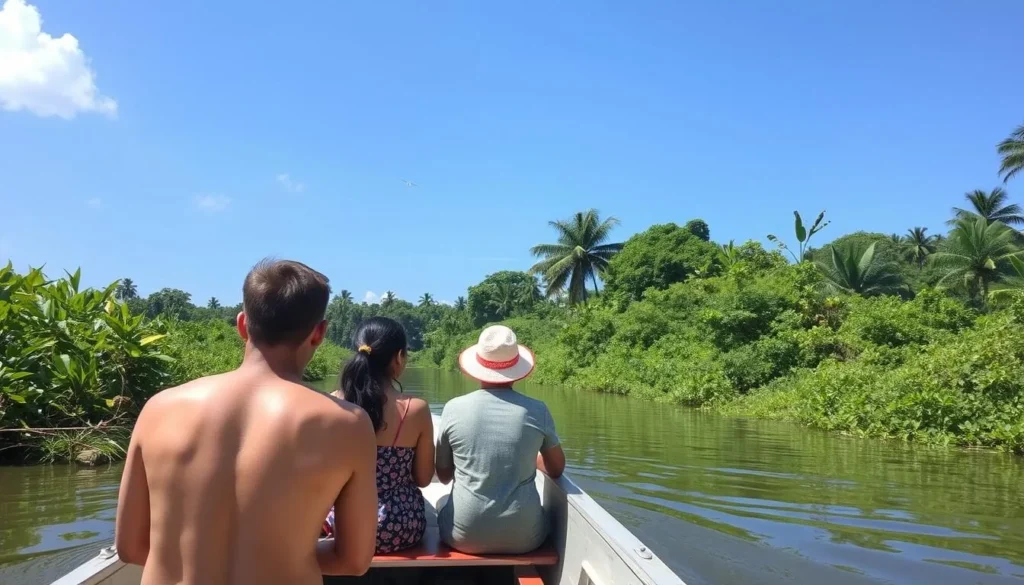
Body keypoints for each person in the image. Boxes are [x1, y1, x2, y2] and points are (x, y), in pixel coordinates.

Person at [115, 259, 378, 585]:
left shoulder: (159, 408)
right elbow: (354, 560)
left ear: (242, 325)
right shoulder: (348, 425)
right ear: (318, 334)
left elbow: (130, 547)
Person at [434, 325, 566, 555]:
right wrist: (531, 459)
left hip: (461, 537)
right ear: (517, 367)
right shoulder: (538, 410)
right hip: (526, 539)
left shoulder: (453, 408)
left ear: (477, 367)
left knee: (441, 502)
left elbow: (444, 476)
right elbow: (556, 469)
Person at [322, 316, 434, 554]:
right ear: (399, 357)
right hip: (401, 527)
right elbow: (424, 479)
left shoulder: (333, 402)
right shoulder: (416, 409)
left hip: (344, 526)